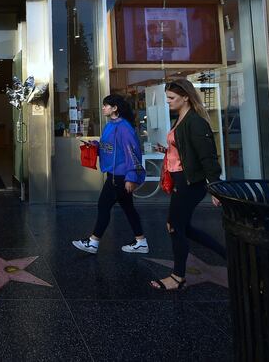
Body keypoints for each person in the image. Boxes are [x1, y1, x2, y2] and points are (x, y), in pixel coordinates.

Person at [150, 79, 226, 291]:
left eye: (172, 98)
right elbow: (184, 151)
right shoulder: (182, 119)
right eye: (167, 98)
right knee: (184, 227)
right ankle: (229, 256)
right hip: (181, 180)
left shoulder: (195, 122)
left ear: (185, 97)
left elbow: (207, 157)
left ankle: (178, 277)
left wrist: (215, 187)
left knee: (174, 226)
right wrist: (166, 151)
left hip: (190, 183)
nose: (168, 102)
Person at [72, 94, 149, 255]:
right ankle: (141, 242)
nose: (103, 108)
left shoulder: (124, 128)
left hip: (120, 176)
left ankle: (93, 242)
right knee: (128, 209)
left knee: (103, 206)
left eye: (106, 105)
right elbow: (109, 147)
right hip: (115, 173)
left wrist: (131, 177)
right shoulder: (110, 125)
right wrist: (95, 146)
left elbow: (132, 153)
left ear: (115, 108)